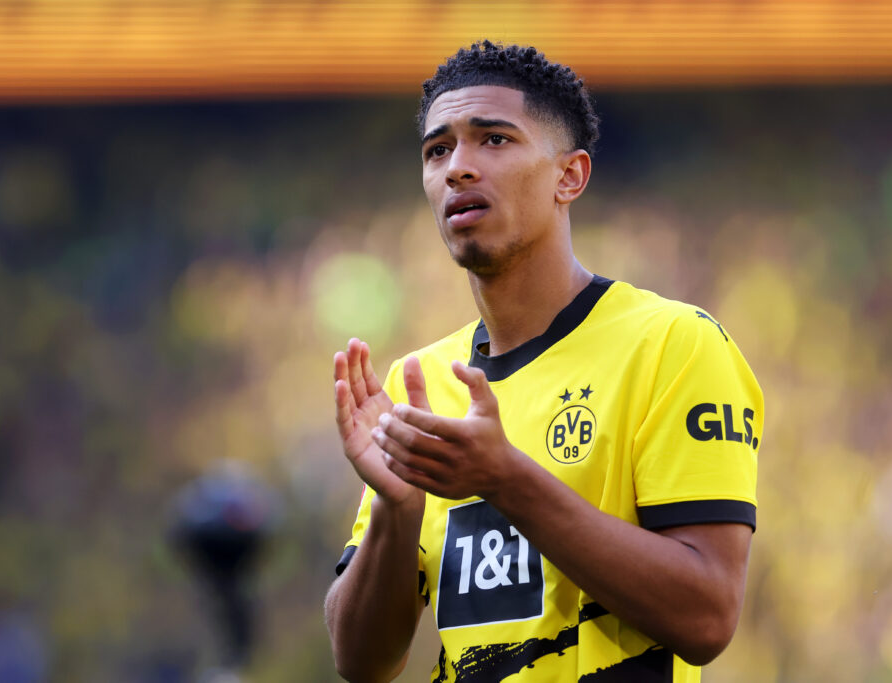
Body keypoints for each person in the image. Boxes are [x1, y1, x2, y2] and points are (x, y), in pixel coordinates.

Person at [324, 41, 763, 683]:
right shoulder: (421, 384)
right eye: (437, 150)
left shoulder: (672, 344)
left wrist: (504, 479)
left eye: (494, 140)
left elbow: (706, 618)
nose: (458, 169)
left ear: (570, 176)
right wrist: (397, 508)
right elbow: (362, 663)